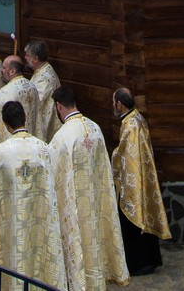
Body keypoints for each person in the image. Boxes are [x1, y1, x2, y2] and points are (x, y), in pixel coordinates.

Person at [0, 100, 67, 288]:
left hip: (10, 223)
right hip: (38, 220)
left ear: (5, 124)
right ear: (25, 118)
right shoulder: (43, 148)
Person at [47, 86, 129, 291]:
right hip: (96, 202)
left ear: (58, 106)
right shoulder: (95, 128)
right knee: (95, 240)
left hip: (74, 205)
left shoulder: (63, 136)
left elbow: (52, 174)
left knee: (78, 244)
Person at [110, 89, 169, 276]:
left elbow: (125, 153)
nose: (112, 106)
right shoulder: (137, 118)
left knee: (132, 221)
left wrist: (113, 157)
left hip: (132, 182)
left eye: (113, 102)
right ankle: (149, 260)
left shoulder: (130, 126)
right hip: (141, 176)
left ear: (119, 104)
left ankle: (138, 264)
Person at [0, 56, 39, 151]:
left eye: (4, 68)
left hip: (12, 147)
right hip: (31, 144)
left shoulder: (6, 93)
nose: (1, 70)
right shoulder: (32, 87)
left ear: (12, 71)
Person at [25, 41, 61, 142]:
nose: (25, 58)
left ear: (35, 59)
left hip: (45, 122)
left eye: (28, 56)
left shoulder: (43, 79)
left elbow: (37, 102)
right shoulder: (44, 69)